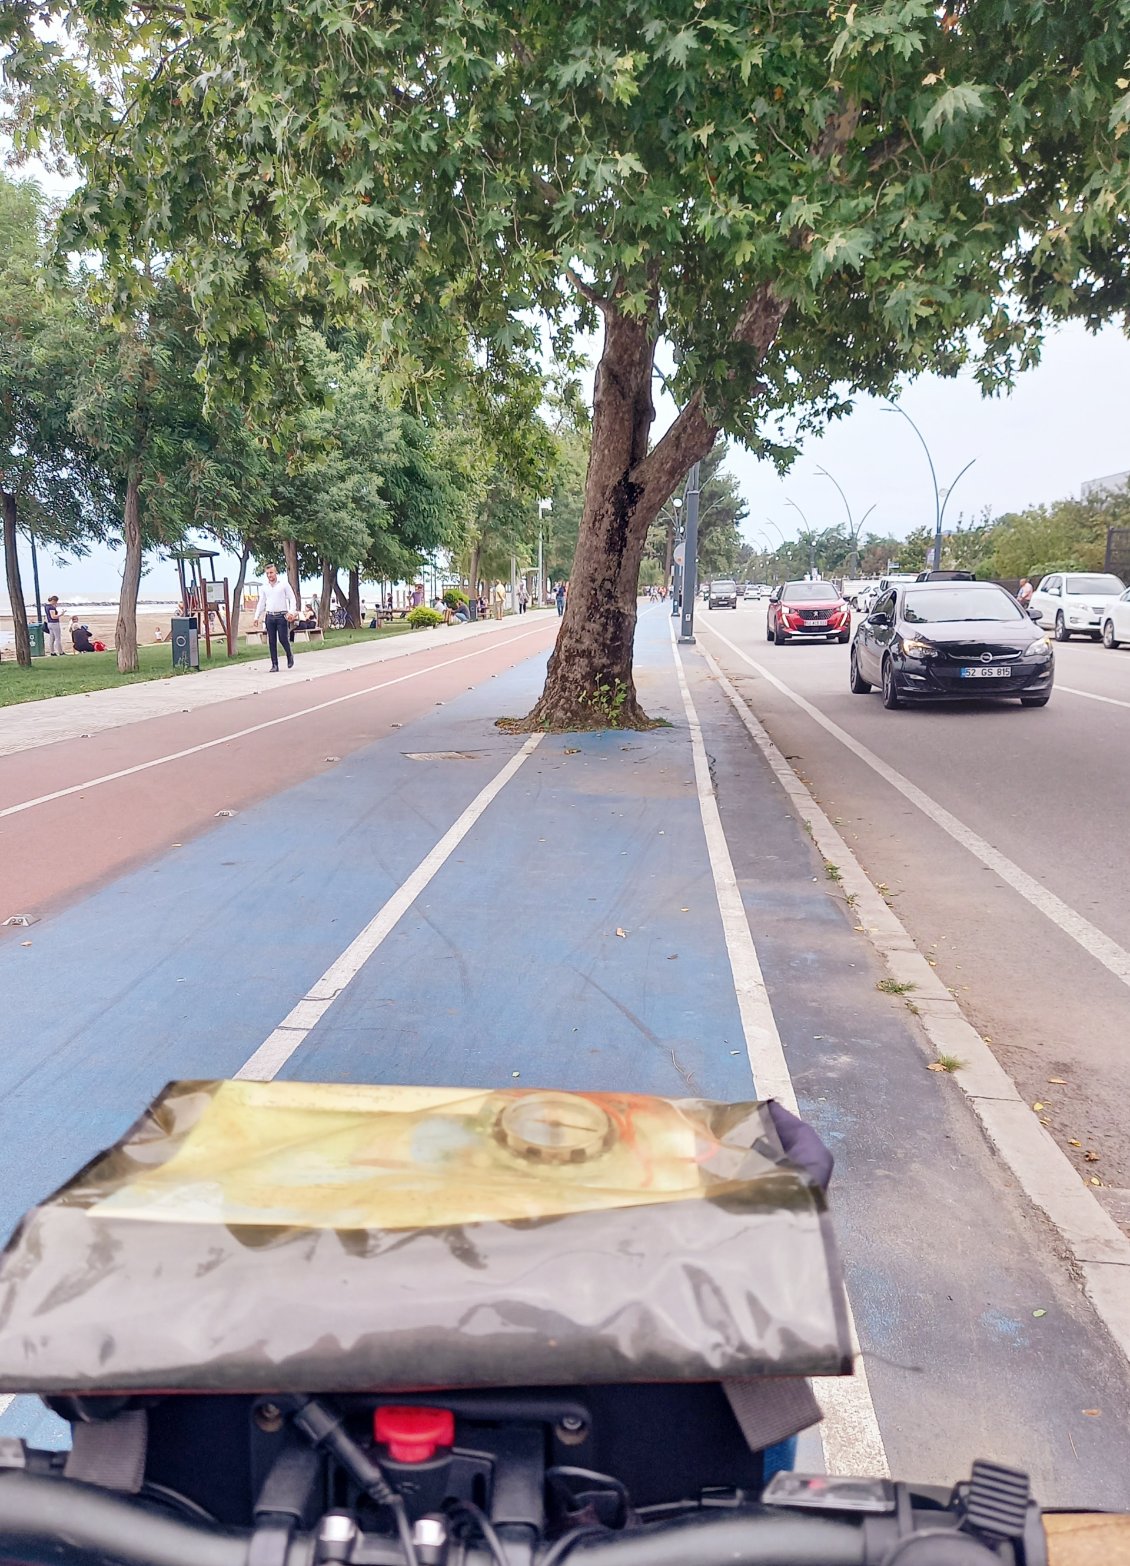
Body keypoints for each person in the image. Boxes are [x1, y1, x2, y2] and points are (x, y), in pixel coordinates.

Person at [252, 564, 298, 671]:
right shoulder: (264, 587)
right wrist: (256, 617)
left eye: (271, 573)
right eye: (267, 573)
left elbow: (292, 598)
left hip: (282, 615)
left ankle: (289, 654)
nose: (269, 575)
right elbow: (261, 602)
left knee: (283, 638)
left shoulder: (283, 585)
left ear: (276, 572)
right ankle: (274, 664)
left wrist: (291, 612)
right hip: (270, 616)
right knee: (271, 641)